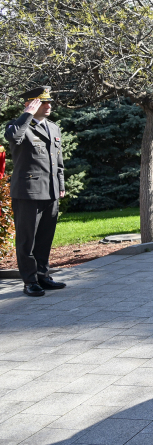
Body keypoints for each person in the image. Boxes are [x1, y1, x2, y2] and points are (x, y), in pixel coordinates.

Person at [4, 87, 68, 298]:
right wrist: (27, 114)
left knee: (44, 239)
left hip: (50, 191)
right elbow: (14, 137)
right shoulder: (17, 125)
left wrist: (60, 185)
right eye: (43, 102)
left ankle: (43, 276)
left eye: (49, 102)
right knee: (27, 240)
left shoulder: (53, 127)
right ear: (30, 104)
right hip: (28, 193)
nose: (49, 106)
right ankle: (30, 281)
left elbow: (58, 162)